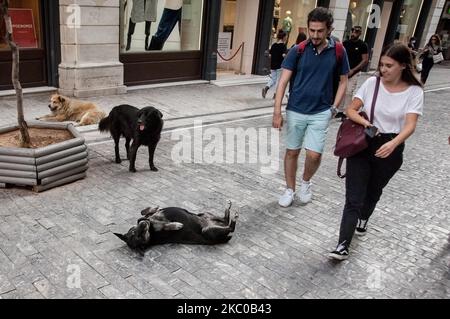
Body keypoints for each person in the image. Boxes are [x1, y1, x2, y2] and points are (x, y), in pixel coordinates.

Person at [328, 43, 424, 261]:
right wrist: (366, 123)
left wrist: (393, 144)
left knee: (373, 191)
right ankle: (343, 244)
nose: (383, 69)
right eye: (381, 65)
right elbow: (350, 109)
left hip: (391, 146)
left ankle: (364, 218)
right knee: (353, 197)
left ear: (402, 66)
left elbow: (410, 124)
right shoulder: (372, 83)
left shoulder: (414, 91)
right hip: (364, 142)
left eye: (389, 65)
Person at [272, 7, 349, 207]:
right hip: (295, 109)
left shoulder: (339, 51)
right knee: (292, 152)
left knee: (314, 155)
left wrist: (334, 107)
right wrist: (277, 112)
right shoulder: (298, 50)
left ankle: (306, 181)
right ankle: (289, 189)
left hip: (321, 112)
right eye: (312, 30)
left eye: (320, 31)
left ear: (329, 30)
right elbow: (282, 82)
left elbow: (343, 81)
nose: (315, 35)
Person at [337, 26, 369, 119]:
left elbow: (365, 60)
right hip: (343, 71)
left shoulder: (362, 45)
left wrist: (354, 70)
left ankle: (346, 112)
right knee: (342, 90)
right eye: (353, 31)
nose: (354, 33)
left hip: (354, 71)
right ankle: (339, 110)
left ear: (360, 33)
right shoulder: (346, 43)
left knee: (348, 91)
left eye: (357, 31)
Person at [262, 30, 287, 99]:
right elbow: (284, 55)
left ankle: (266, 88)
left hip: (273, 65)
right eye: (286, 36)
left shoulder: (273, 45)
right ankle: (275, 94)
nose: (286, 38)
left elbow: (270, 55)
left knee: (273, 79)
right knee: (279, 81)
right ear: (283, 37)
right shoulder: (283, 46)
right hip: (280, 66)